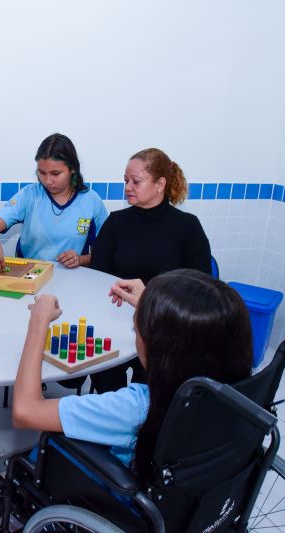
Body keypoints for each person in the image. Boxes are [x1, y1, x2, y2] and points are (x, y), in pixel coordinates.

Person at [12, 269, 252, 479]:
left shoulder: (135, 407)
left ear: (161, 353)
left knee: (45, 445)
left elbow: (25, 411)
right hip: (193, 496)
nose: (136, 334)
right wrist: (153, 304)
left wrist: (39, 322)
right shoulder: (234, 393)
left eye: (136, 330)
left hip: (117, 493)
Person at [89, 147, 212, 393]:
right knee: (106, 384)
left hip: (164, 329)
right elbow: (97, 275)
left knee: (152, 392)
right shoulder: (116, 222)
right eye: (125, 180)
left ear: (160, 184)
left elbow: (201, 289)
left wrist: (151, 302)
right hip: (115, 322)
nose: (127, 187)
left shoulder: (187, 227)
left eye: (136, 181)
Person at [0, 133, 108, 270]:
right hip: (29, 278)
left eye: (55, 173)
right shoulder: (30, 195)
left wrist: (80, 259)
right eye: (42, 173)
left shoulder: (91, 201)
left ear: (72, 169)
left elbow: (106, 253)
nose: (48, 181)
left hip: (73, 278)